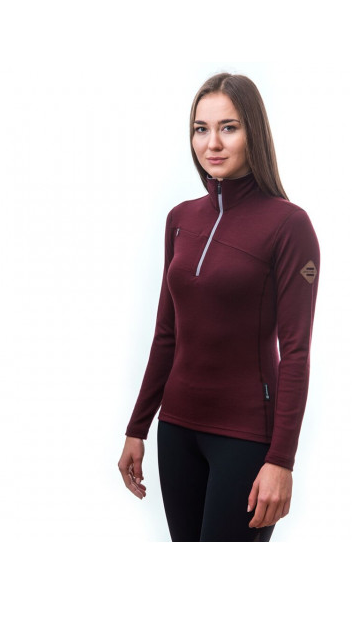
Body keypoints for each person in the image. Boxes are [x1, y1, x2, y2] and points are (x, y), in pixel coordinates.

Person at [117, 72, 320, 541]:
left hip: (246, 437)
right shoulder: (180, 219)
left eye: (229, 127)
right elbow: (167, 333)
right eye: (201, 128)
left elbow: (296, 352)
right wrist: (138, 427)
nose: (212, 143)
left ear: (254, 132)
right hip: (177, 430)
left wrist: (281, 461)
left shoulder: (289, 225)